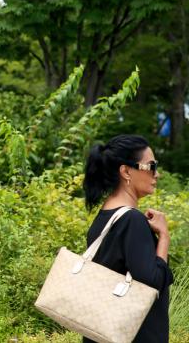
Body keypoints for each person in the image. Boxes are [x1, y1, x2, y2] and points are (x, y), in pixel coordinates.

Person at [83, 134, 173, 342]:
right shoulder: (132, 220)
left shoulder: (105, 216)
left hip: (104, 332)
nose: (156, 174)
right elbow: (152, 284)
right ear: (125, 171)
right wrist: (164, 237)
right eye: (151, 166)